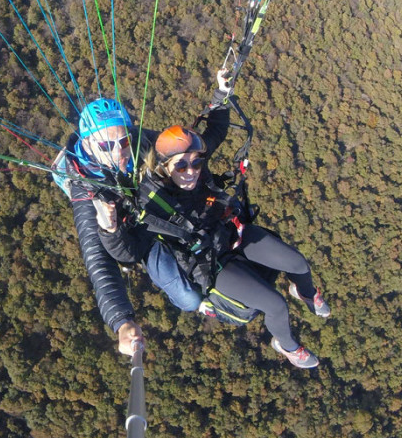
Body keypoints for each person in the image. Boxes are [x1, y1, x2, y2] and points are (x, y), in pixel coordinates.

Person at [93, 70, 331, 370]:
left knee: (298, 264)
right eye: (181, 166)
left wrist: (221, 94)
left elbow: (216, 131)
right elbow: (128, 251)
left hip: (232, 234)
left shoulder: (196, 165)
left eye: (195, 162)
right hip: (213, 263)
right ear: (165, 167)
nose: (191, 170)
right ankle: (288, 347)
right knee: (275, 305)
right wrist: (109, 227)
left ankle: (306, 294)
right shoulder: (149, 200)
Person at [52, 98, 153, 356]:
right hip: (102, 196)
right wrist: (121, 320)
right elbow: (97, 259)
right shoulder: (83, 188)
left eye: (123, 142)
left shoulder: (138, 142)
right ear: (87, 144)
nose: (118, 151)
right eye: (107, 145)